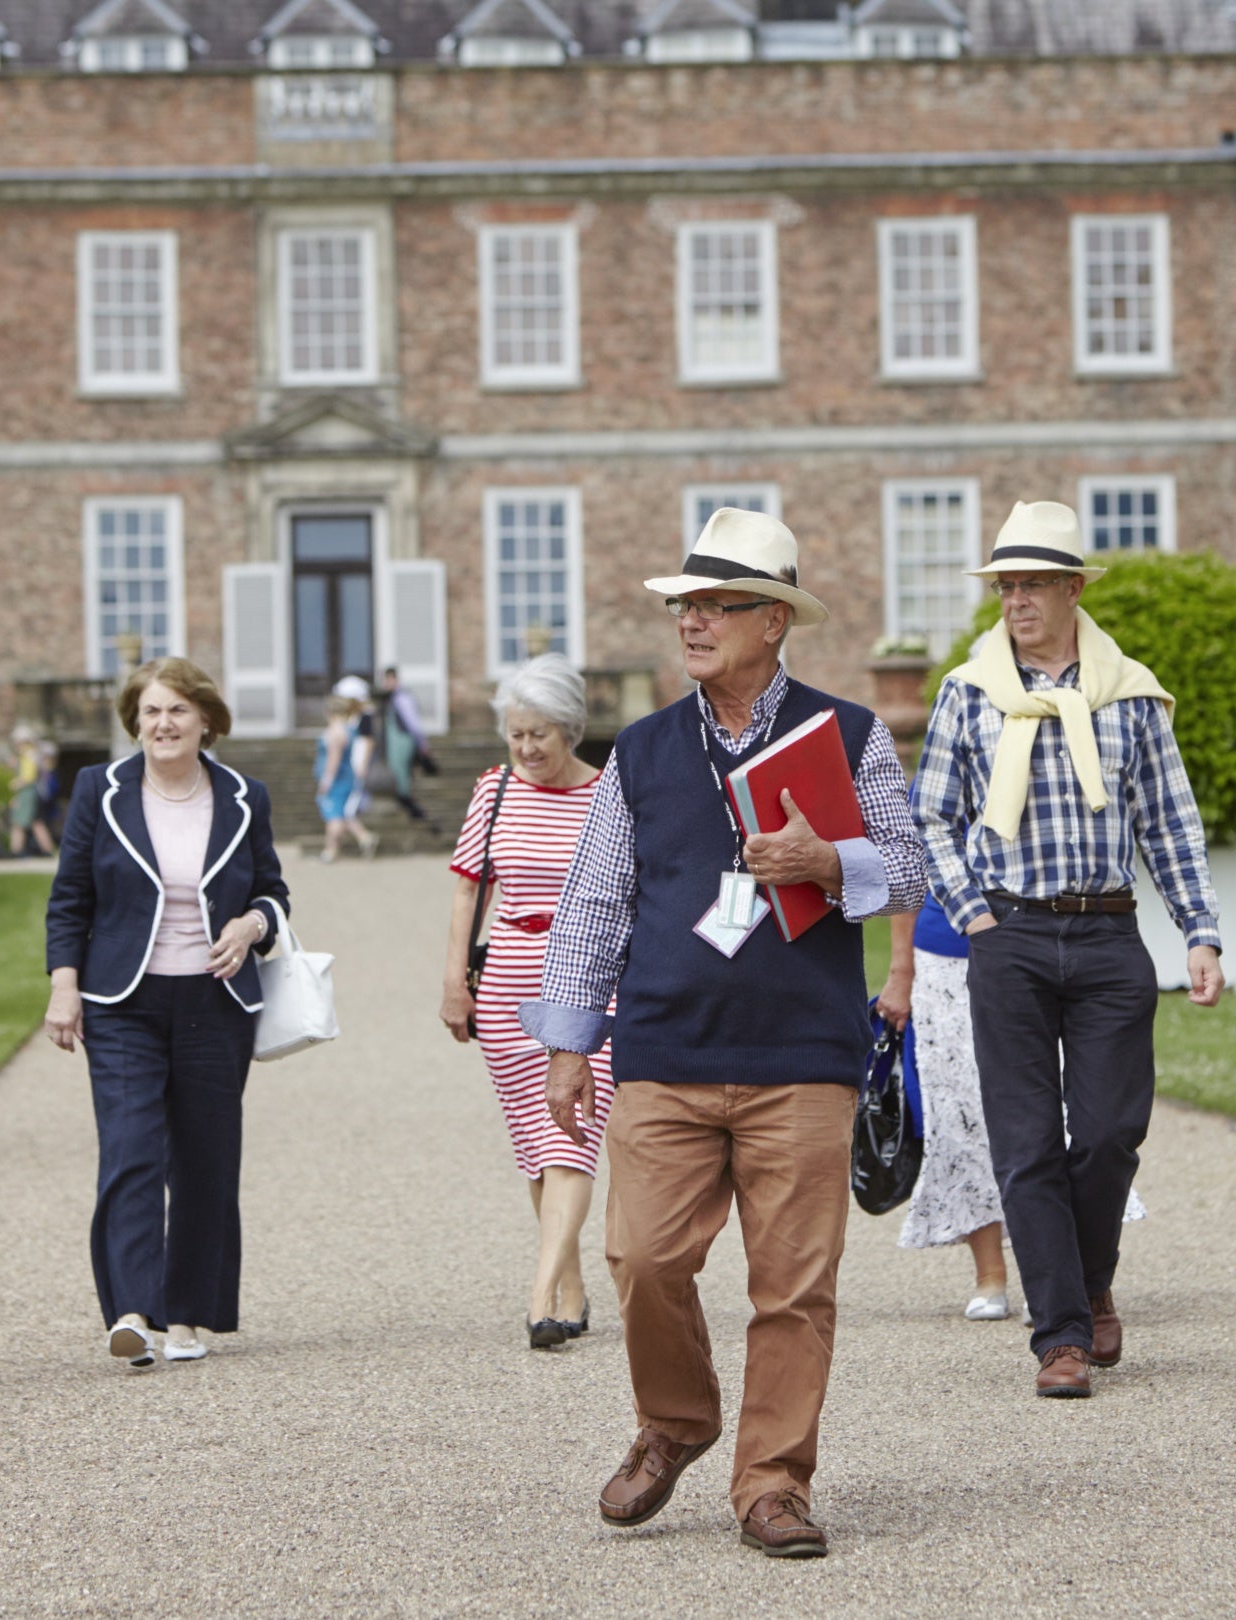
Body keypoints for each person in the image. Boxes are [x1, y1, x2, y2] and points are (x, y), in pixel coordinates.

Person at [526, 508, 927, 1559]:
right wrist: (570, 1039)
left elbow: (916, 865)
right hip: (664, 1048)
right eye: (685, 605)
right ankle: (677, 1421)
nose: (692, 620)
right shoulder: (644, 752)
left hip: (802, 1057)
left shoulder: (847, 736)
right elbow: (595, 901)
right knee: (640, 1256)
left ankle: (774, 1485)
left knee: (792, 1288)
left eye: (716, 605)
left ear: (774, 623)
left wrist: (831, 865)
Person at [912, 500, 1225, 1400]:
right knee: (1024, 1144)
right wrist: (972, 912)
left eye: (1033, 585)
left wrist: (1199, 932)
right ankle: (1061, 1336)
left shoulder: (1129, 694)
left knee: (1111, 1134)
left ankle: (1089, 1283)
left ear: (1074, 589)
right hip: (1005, 933)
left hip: (1107, 932)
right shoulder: (969, 692)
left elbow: (1171, 823)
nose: (1016, 601)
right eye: (1006, 585)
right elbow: (930, 815)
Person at [42, 657, 290, 1369]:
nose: (163, 724)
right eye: (150, 712)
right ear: (135, 722)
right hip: (123, 1001)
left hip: (216, 1000)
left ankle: (188, 1316)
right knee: (130, 1150)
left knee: (205, 1161)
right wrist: (65, 986)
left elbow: (274, 892)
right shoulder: (100, 789)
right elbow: (69, 900)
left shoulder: (246, 796)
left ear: (206, 719)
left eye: (178, 710)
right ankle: (132, 1311)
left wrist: (252, 926)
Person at [439, 656, 612, 1350]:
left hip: (588, 977)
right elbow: (467, 889)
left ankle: (541, 1291)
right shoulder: (495, 791)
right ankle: (570, 1288)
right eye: (516, 735)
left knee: (573, 1131)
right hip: (508, 974)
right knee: (537, 1145)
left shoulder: (608, 796)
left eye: (539, 734)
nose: (527, 749)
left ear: (569, 728)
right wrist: (455, 979)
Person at [885, 893, 1147, 1323]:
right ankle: (989, 1275)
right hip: (945, 956)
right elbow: (910, 874)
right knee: (963, 1118)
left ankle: (1063, 1279)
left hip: (1041, 948)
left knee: (1058, 1119)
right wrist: (901, 972)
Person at [315, 675, 378, 863]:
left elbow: (334, 758)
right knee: (343, 813)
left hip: (339, 778)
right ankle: (362, 839)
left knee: (335, 814)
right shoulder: (348, 728)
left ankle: (331, 850)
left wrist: (326, 780)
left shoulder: (338, 731)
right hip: (345, 776)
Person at [376, 665, 435, 826]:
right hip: (395, 742)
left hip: (403, 741)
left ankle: (411, 805)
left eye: (388, 680)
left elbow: (413, 723)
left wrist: (423, 744)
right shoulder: (390, 699)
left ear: (394, 679)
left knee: (401, 773)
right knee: (398, 773)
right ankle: (407, 803)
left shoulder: (402, 698)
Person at [7, 724, 55, 857]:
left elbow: (29, 776)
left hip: (28, 793)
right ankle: (45, 850)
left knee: (19, 823)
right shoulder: (30, 754)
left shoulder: (29, 754)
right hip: (30, 793)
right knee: (35, 822)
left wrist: (16, 783)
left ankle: (16, 851)